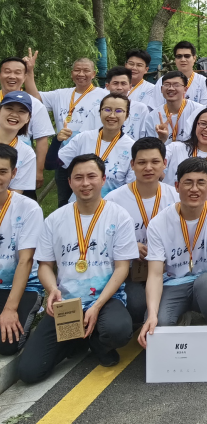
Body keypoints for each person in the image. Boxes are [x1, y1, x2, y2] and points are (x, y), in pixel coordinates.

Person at [19, 155, 137, 382]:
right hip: (66, 303)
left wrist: (97, 306)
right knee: (30, 372)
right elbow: (45, 266)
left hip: (105, 299)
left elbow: (122, 268)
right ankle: (77, 339)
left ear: (103, 179)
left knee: (118, 330)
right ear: (70, 182)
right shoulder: (55, 219)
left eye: (92, 176)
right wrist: (52, 289)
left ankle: (97, 341)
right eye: (78, 178)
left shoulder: (119, 216)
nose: (85, 183)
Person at [138, 157, 207, 364]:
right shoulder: (158, 223)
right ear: (176, 186)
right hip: (174, 283)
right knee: (158, 327)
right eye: (188, 182)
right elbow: (155, 274)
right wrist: (152, 314)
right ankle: (181, 318)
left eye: (201, 183)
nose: (194, 189)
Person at [104, 137, 179, 324]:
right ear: (132, 164)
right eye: (142, 162)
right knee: (137, 305)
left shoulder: (176, 197)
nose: (148, 168)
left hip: (169, 270)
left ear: (164, 163)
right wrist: (129, 247)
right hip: (131, 272)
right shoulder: (113, 200)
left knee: (168, 304)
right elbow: (102, 241)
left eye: (155, 162)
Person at [20, 51, 105, 199]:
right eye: (77, 70)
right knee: (64, 201)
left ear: (93, 74)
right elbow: (35, 99)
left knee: (92, 198)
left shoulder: (104, 96)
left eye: (86, 70)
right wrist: (29, 71)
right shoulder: (60, 94)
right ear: (72, 74)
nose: (81, 74)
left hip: (92, 156)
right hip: (63, 158)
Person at [0, 144, 44, 355]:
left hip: (23, 286)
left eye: (2, 172)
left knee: (7, 345)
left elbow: (26, 261)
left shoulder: (28, 208)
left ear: (14, 173)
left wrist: (10, 309)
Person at [58, 93, 134, 198]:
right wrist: (57, 141)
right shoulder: (83, 138)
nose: (112, 115)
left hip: (111, 205)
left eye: (118, 111)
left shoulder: (132, 148)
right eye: (107, 109)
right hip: (79, 203)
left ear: (126, 116)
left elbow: (130, 188)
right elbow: (52, 164)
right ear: (100, 112)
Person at [159, 107, 207, 199]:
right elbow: (153, 164)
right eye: (203, 124)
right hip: (169, 203)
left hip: (201, 207)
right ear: (195, 125)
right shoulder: (175, 148)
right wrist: (161, 140)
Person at [83, 66, 150, 141]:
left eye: (123, 84)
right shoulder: (97, 109)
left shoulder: (141, 108)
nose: (119, 88)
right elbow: (86, 135)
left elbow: (145, 137)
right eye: (115, 83)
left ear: (130, 86)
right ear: (107, 86)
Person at [141, 71, 204, 145]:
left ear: (185, 89)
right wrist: (161, 139)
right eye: (167, 84)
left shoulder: (199, 111)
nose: (171, 88)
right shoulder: (152, 117)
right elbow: (151, 147)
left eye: (176, 85)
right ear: (161, 89)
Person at [0, 92, 37, 193]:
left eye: (22, 111)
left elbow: (15, 193)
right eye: (9, 108)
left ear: (28, 119)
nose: (14, 114)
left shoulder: (27, 154)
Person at [151, 41, 207, 106]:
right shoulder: (163, 81)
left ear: (194, 58)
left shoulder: (203, 81)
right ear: (175, 59)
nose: (183, 59)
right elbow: (157, 106)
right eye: (179, 56)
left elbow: (205, 108)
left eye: (187, 56)